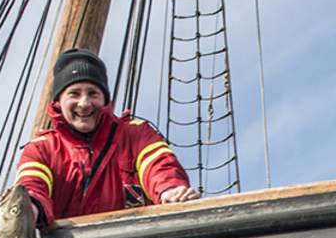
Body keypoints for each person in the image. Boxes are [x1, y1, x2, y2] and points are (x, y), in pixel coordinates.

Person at [12, 48, 200, 227]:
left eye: (93, 93)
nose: (84, 103)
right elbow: (32, 185)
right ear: (58, 102)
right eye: (74, 94)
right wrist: (28, 209)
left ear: (105, 100)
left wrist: (171, 189)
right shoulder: (40, 149)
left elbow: (159, 165)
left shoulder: (136, 135)